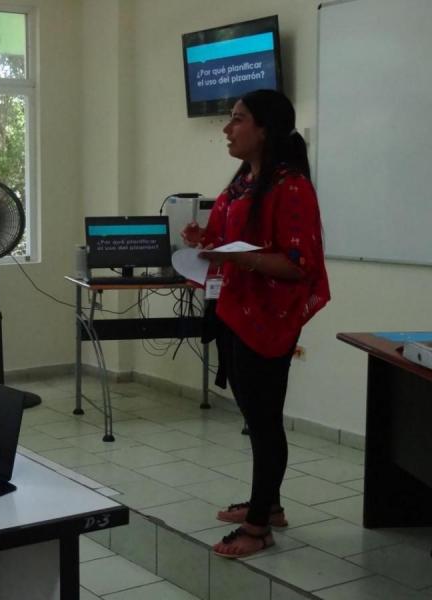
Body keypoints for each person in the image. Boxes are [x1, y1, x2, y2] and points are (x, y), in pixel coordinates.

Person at [181, 89, 330, 559]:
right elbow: (234, 240)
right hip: (234, 310)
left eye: (237, 119)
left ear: (263, 128)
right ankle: (270, 503)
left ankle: (259, 526)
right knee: (254, 418)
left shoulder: (291, 186)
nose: (227, 128)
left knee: (264, 423)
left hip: (270, 320)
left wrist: (242, 260)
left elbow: (299, 264)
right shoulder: (245, 181)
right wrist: (205, 243)